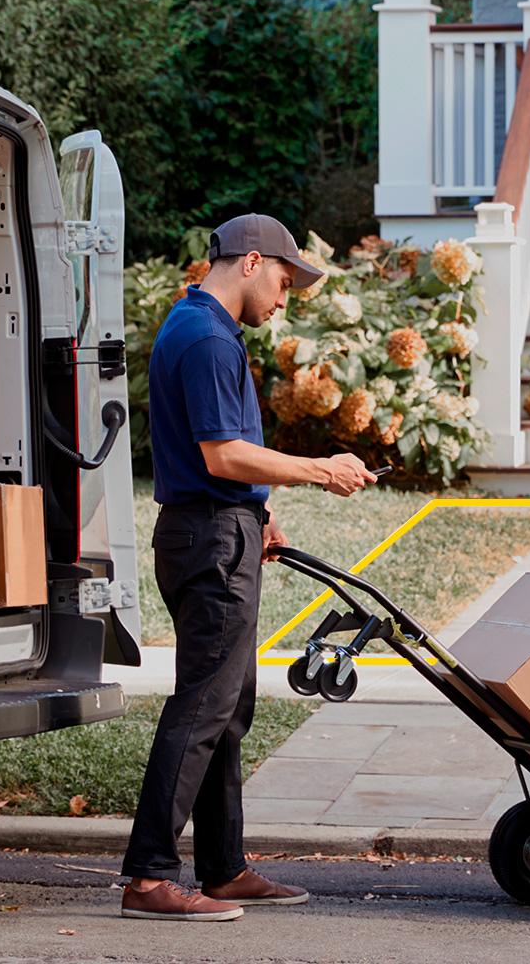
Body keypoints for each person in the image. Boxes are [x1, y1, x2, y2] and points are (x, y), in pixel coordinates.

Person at [120, 213, 378, 921]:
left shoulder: (196, 324)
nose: (284, 300)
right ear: (252, 261)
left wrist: (259, 510)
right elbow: (220, 453)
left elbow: (218, 458)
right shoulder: (205, 337)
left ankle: (224, 867)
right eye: (285, 284)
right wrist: (318, 470)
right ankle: (147, 878)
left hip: (213, 530)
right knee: (205, 706)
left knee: (227, 708)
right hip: (210, 540)